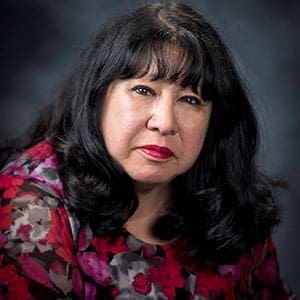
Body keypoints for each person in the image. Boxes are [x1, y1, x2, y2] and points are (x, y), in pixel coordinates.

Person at [0, 2, 296, 299]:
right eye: (144, 90)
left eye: (191, 100)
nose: (165, 123)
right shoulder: (30, 207)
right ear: (98, 97)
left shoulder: (230, 202)